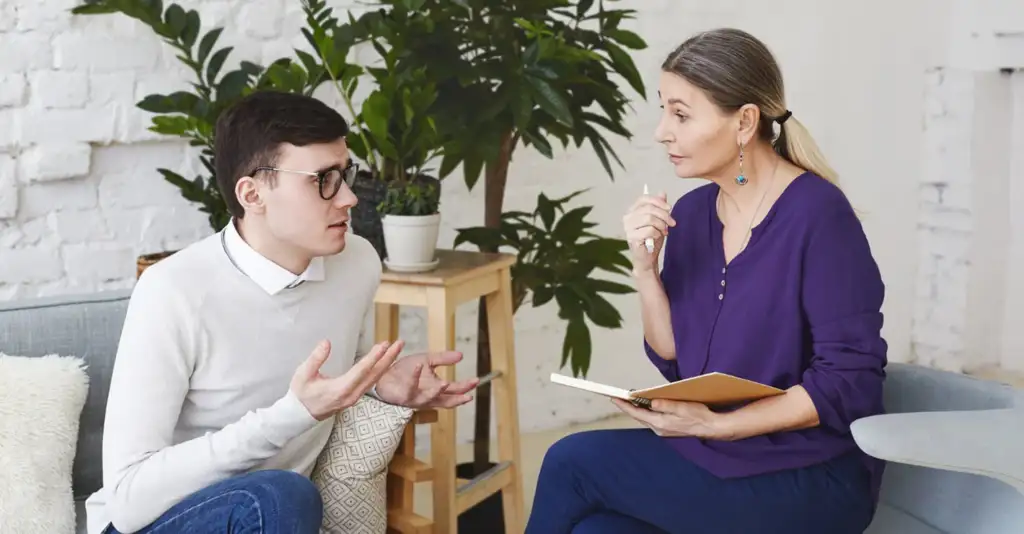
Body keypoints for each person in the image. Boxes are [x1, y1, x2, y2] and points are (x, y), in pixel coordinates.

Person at [526, 28, 887, 534]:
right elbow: (675, 354)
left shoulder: (818, 216)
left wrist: (717, 425)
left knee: (572, 460)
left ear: (744, 122)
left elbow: (849, 382)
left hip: (811, 475)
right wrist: (645, 270)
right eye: (663, 110)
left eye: (680, 113)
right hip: (716, 455)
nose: (660, 132)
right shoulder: (693, 214)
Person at [85, 90, 479, 534]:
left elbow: (313, 368)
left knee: (282, 495)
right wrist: (290, 415)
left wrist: (379, 382)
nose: (349, 197)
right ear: (253, 194)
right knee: (278, 493)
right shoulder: (173, 292)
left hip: (280, 519)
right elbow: (129, 497)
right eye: (323, 180)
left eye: (346, 174)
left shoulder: (356, 262)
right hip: (157, 522)